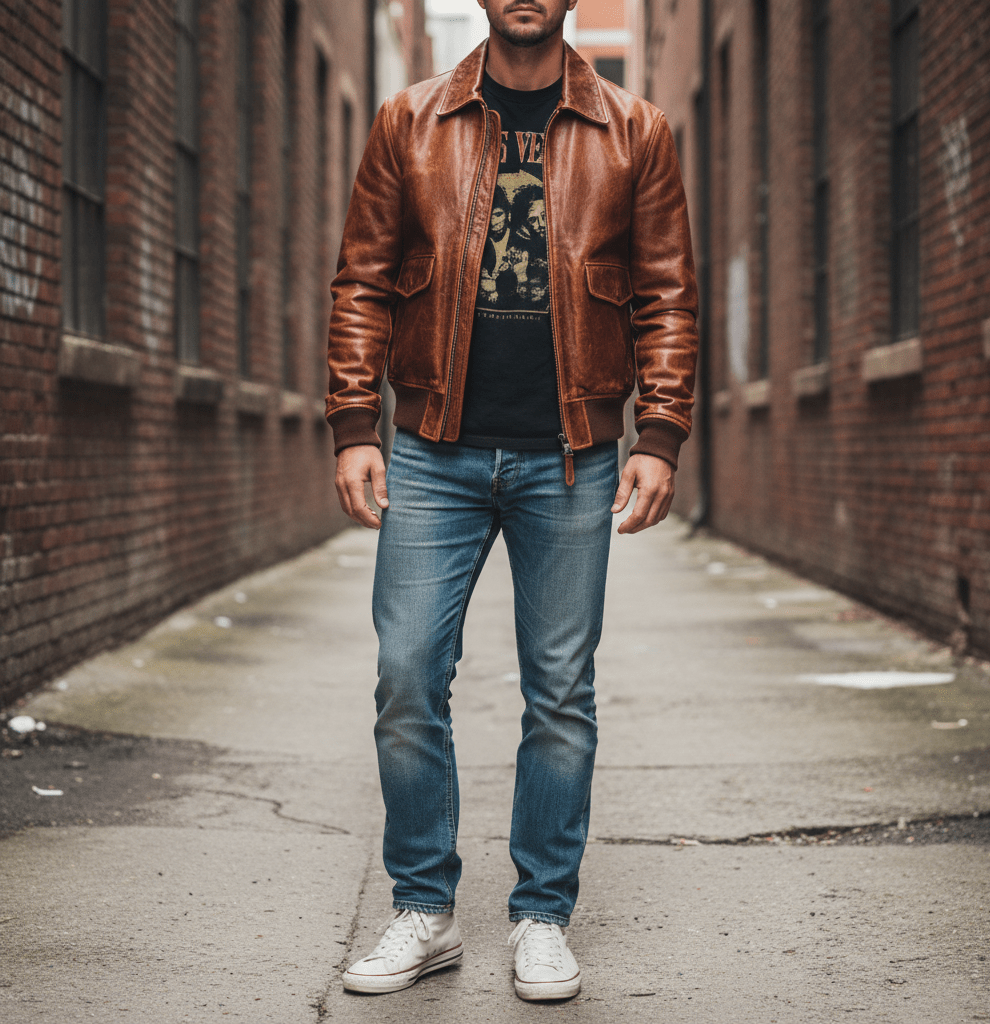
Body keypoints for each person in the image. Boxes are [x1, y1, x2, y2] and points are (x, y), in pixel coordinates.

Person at [325, 0, 698, 1002]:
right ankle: (423, 908)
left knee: (560, 694)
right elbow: (361, 279)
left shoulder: (636, 129)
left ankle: (541, 915)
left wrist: (657, 433)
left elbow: (666, 291)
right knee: (407, 674)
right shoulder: (409, 121)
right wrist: (354, 423)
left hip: (570, 455)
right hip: (433, 451)